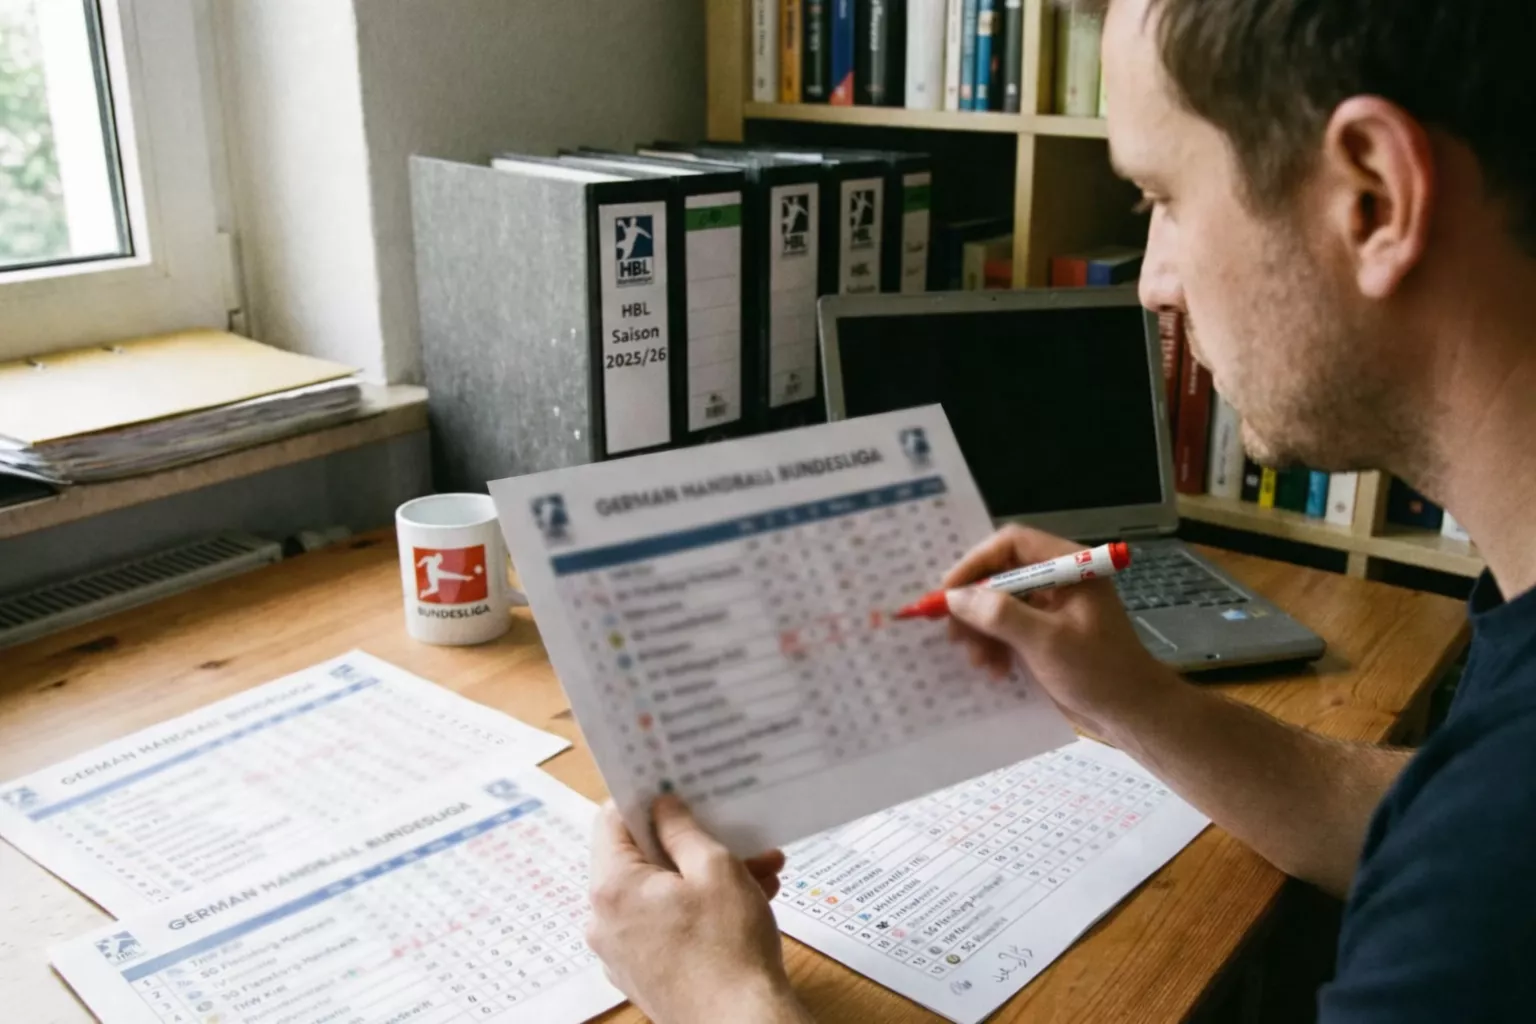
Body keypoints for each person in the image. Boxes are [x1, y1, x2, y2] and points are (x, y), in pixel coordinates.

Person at [585, 0, 1536, 1019]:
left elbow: (1472, 851)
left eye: (1161, 197)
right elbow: (1421, 819)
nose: (1151, 287)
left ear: (1374, 197)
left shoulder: (1489, 875)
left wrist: (722, 1000)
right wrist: (1138, 703)